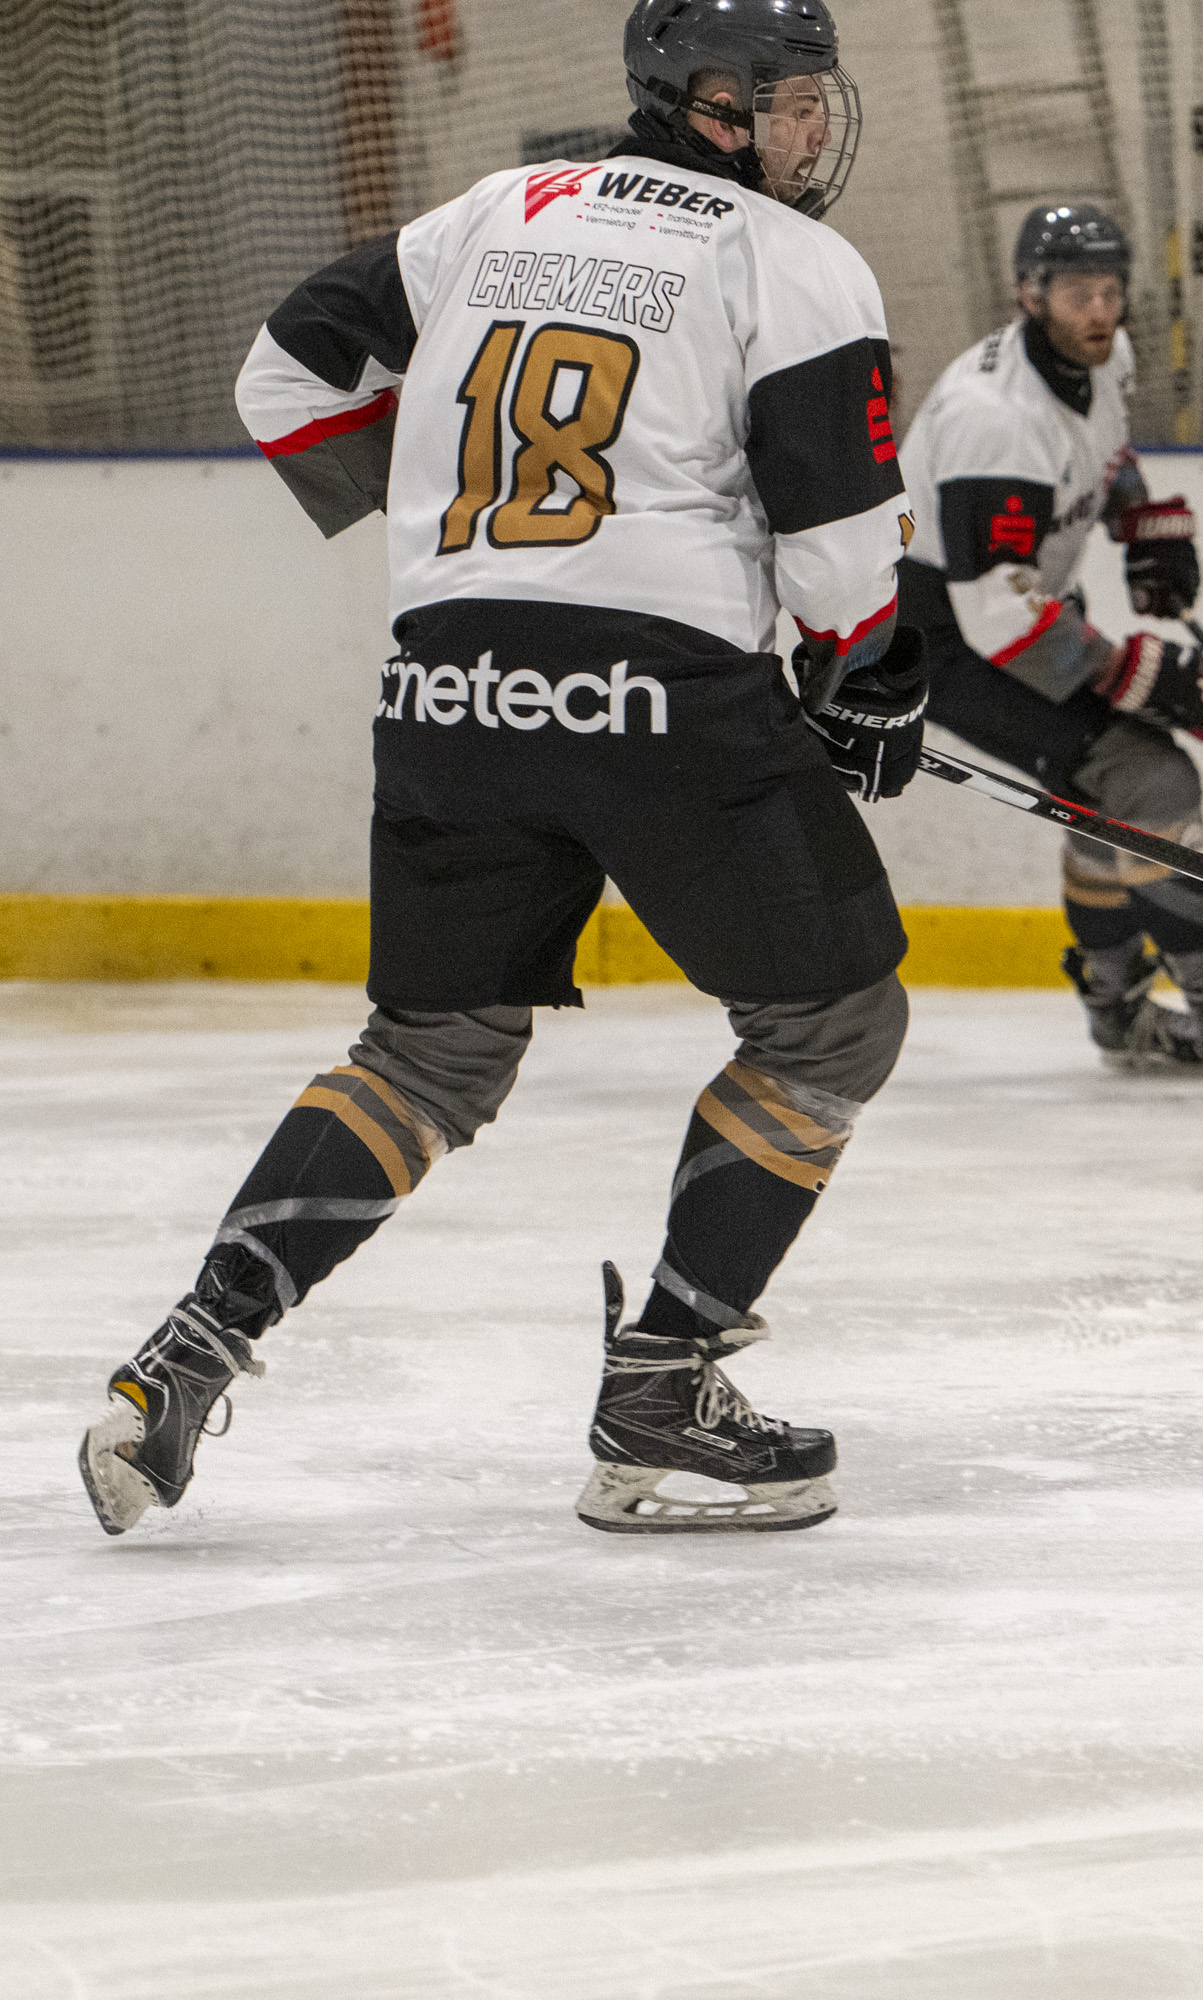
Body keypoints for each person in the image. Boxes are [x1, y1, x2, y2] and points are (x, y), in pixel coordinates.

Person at [80, 0, 922, 1538]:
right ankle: (663, 1386)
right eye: (792, 100)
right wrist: (864, 674)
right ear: (716, 109)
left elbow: (282, 378)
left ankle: (187, 1353)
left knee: (429, 1053)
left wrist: (451, 523)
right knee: (832, 1021)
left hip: (451, 677)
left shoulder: (492, 213)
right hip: (662, 695)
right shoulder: (792, 262)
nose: (817, 127)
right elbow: (842, 550)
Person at [897, 203, 1203, 1096]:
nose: (1099, 311)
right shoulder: (994, 419)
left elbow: (1107, 453)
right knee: (1148, 775)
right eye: (1075, 293)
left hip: (1013, 606)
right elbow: (995, 615)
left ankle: (1119, 1007)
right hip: (941, 635)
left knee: (1094, 793)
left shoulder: (1105, 357)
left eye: (1110, 292)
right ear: (1030, 294)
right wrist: (1134, 674)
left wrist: (1144, 522)